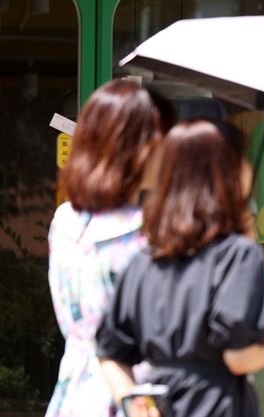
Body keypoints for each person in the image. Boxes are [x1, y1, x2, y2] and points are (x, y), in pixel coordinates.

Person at [96, 120, 264, 417]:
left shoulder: (144, 260)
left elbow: (110, 353)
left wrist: (133, 403)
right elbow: (238, 358)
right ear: (222, 173)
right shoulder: (238, 255)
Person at [46, 79, 175, 417]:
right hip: (132, 397)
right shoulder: (144, 233)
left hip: (74, 392)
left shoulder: (65, 221)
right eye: (161, 139)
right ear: (134, 147)